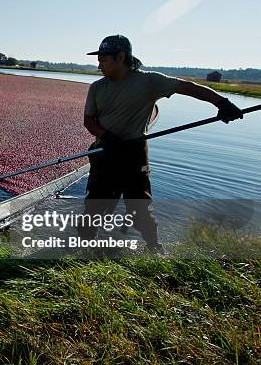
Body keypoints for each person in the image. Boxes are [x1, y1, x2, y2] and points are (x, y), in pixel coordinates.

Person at [81, 34, 243, 252]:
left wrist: (222, 103)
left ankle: (155, 248)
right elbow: (89, 121)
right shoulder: (97, 88)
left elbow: (188, 87)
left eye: (103, 58)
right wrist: (107, 136)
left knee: (140, 209)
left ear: (120, 57)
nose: (98, 63)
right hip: (105, 153)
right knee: (94, 209)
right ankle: (84, 250)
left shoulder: (149, 81)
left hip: (134, 154)